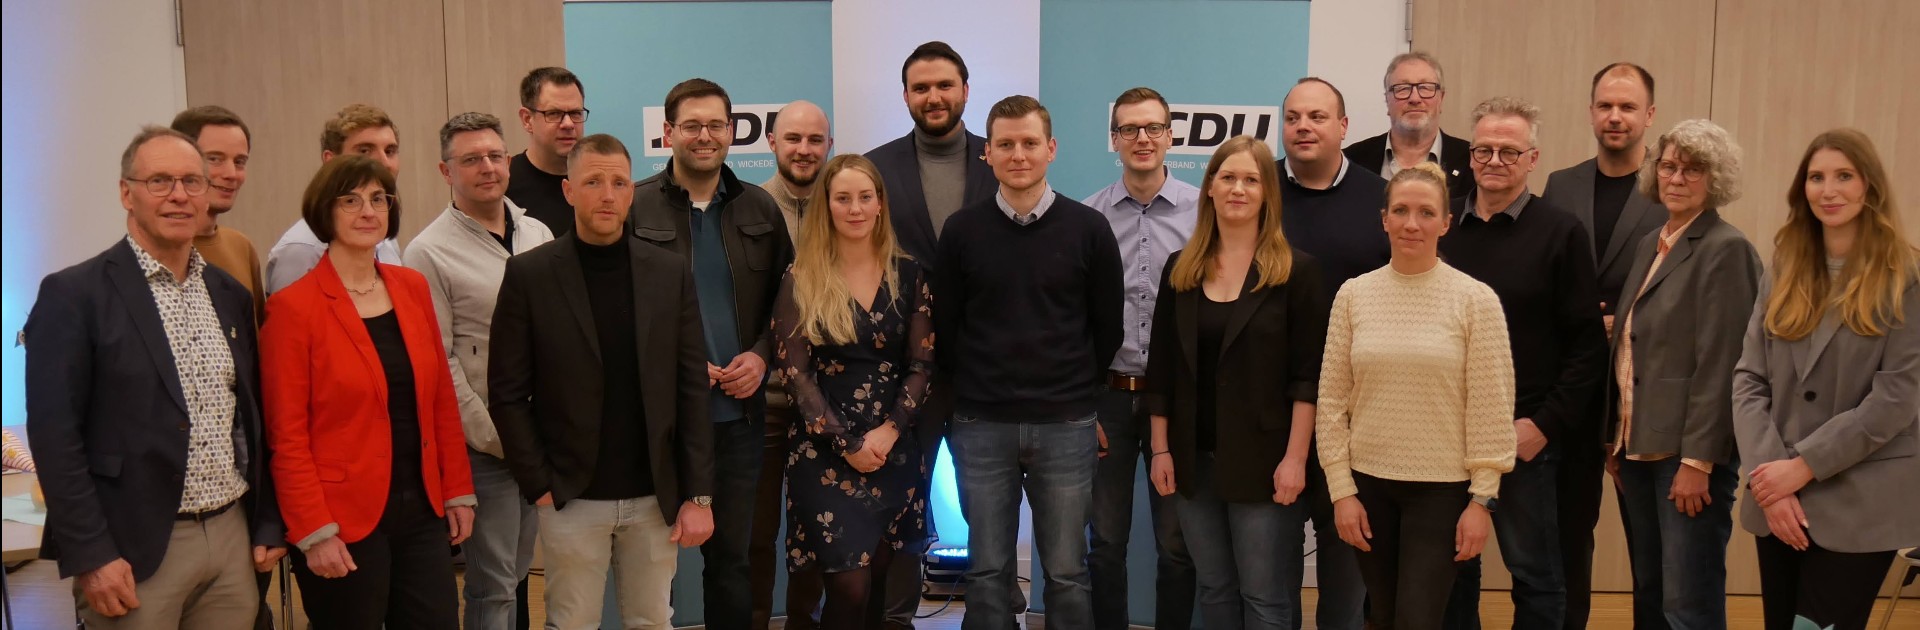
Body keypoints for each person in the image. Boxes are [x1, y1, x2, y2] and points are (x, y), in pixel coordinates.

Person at [26, 126, 286, 629]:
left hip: (230, 536)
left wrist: (267, 519)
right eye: (160, 181)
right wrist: (92, 553)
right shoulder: (75, 295)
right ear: (127, 193)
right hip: (133, 549)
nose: (178, 195)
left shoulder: (229, 294)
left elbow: (252, 420)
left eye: (192, 181)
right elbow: (56, 439)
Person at [490, 133, 716, 630]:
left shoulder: (669, 272)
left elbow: (691, 389)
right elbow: (506, 394)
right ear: (569, 190)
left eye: (618, 183)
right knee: (571, 623)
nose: (607, 195)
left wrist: (698, 495)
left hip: (655, 496)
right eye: (593, 182)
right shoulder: (529, 275)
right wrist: (539, 483)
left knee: (652, 622)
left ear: (632, 191)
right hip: (570, 496)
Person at [258, 154, 476, 628]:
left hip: (421, 509)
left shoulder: (411, 287)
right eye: (351, 201)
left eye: (379, 199)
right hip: (340, 520)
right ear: (325, 211)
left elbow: (440, 400)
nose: (368, 211)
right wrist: (314, 530)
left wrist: (458, 490)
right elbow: (286, 434)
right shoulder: (294, 308)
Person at [938, 95, 1123, 630]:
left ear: (1051, 149)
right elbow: (947, 327)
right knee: (986, 571)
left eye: (1029, 143)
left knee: (1066, 572)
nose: (1018, 154)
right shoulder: (961, 231)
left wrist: (1077, 394)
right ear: (988, 153)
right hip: (982, 424)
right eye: (1005, 144)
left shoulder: (1089, 229)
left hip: (1065, 424)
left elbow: (1107, 327)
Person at [1732, 128, 1920, 630]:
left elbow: (1896, 399)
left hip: (1861, 500)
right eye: (1816, 177)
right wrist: (1772, 481)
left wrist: (1803, 467)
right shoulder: (1783, 268)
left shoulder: (1906, 276)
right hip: (1778, 498)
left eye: (1844, 176)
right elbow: (1749, 380)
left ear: (1869, 186)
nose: (1828, 190)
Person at [1316, 161, 1515, 630]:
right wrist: (1342, 492)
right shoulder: (1353, 295)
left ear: (1445, 223)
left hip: (1442, 492)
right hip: (1368, 486)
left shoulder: (1475, 300)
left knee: (1417, 620)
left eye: (1426, 213)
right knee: (1382, 617)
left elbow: (1492, 407)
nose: (1412, 223)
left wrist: (1481, 501)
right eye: (1401, 211)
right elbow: (1332, 402)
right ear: (1384, 219)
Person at [627, 78, 794, 630]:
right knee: (653, 566)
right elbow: (613, 309)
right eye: (692, 125)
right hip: (659, 424)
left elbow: (788, 302)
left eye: (716, 125)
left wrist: (762, 356)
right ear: (668, 132)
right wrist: (671, 364)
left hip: (739, 420)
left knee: (732, 563)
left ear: (731, 131)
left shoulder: (760, 207)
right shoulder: (635, 206)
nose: (705, 136)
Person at [1439, 97, 1609, 629]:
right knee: (1452, 569)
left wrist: (1544, 425)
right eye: (1483, 150)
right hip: (1447, 435)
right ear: (1469, 155)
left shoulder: (1562, 233)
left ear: (1532, 159)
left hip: (1525, 437)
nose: (1494, 160)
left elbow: (1588, 348)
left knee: (1535, 575)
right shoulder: (1442, 226)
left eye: (1509, 151)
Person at [1143, 135, 1325, 629]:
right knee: (1215, 590)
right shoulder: (1181, 269)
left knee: (1264, 598)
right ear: (1209, 188)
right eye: (1227, 178)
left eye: (1251, 180)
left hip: (1267, 464)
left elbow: (1307, 380)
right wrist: (1160, 449)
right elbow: (1162, 368)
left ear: (1268, 193)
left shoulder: (1298, 273)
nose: (1238, 189)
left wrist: (1295, 459)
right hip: (1192, 461)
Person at [865, 42, 1003, 626]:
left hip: (985, 370)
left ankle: (994, 615)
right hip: (902, 371)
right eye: (921, 87)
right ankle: (893, 618)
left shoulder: (1003, 159)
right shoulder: (875, 168)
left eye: (945, 85)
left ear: (966, 90)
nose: (934, 96)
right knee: (899, 507)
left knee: (988, 508)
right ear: (905, 96)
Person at [1606, 119, 1762, 630]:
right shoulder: (1651, 243)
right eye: (1669, 165)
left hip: (1687, 457)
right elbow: (1634, 343)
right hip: (1638, 447)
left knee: (1687, 604)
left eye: (1693, 169)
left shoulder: (1726, 248)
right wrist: (1616, 437)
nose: (1676, 178)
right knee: (1650, 595)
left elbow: (1723, 363)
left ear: (1715, 179)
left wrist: (1699, 460)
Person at [403, 112, 555, 630]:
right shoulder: (427, 252)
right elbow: (440, 361)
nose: (487, 167)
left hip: (540, 438)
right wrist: (496, 437)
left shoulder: (537, 231)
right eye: (471, 159)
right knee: (493, 588)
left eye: (494, 156)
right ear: (446, 172)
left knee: (520, 574)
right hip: (483, 448)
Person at [771, 154, 934, 630]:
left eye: (865, 197)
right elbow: (795, 374)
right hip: (824, 451)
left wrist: (889, 431)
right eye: (843, 198)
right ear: (827, 205)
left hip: (892, 448)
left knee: (880, 574)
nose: (855, 208)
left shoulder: (909, 274)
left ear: (880, 203)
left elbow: (923, 363)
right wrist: (847, 442)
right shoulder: (801, 277)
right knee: (848, 584)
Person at [1540, 63, 1669, 629]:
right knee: (1568, 530)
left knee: (1650, 540)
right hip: (1571, 387)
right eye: (1605, 106)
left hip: (1641, 389)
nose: (1615, 116)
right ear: (1591, 111)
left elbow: (1687, 286)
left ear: (1649, 115)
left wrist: (1626, 324)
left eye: (1627, 106)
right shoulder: (1560, 185)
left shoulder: (1673, 185)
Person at [1083, 85, 1199, 630]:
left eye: (1153, 127)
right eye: (1129, 128)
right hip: (1107, 396)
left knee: (1177, 544)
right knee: (1105, 541)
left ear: (1170, 135)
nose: (1142, 138)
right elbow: (1075, 316)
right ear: (1114, 140)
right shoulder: (1088, 216)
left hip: (1174, 401)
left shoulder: (1204, 212)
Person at [1273, 76, 1381, 630]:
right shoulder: (1255, 190)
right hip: (1271, 413)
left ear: (1343, 127)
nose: (1303, 127)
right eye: (1293, 117)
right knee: (1271, 580)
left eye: (1317, 117)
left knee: (1346, 579)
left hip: (1358, 414)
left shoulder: (1381, 199)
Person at [756, 98, 833, 630]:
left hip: (828, 404)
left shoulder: (847, 206)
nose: (804, 150)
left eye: (814, 140)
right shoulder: (746, 208)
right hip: (760, 403)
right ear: (772, 143)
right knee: (755, 534)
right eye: (793, 139)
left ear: (829, 145)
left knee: (819, 536)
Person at [264, 103, 405, 293]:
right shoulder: (301, 250)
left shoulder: (383, 236)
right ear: (330, 160)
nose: (384, 163)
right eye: (364, 151)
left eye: (389, 151)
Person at [171, 105, 266, 324]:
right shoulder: (159, 251)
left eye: (239, 162)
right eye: (214, 159)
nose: (231, 174)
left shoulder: (241, 247)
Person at [1342, 52, 1474, 195]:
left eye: (1425, 87)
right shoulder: (1351, 160)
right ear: (1387, 100)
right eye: (1403, 88)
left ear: (1441, 98)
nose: (1415, 98)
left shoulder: (1471, 161)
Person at [510, 66, 587, 236]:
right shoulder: (503, 185)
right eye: (554, 113)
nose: (568, 124)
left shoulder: (599, 181)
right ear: (527, 119)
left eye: (575, 113)